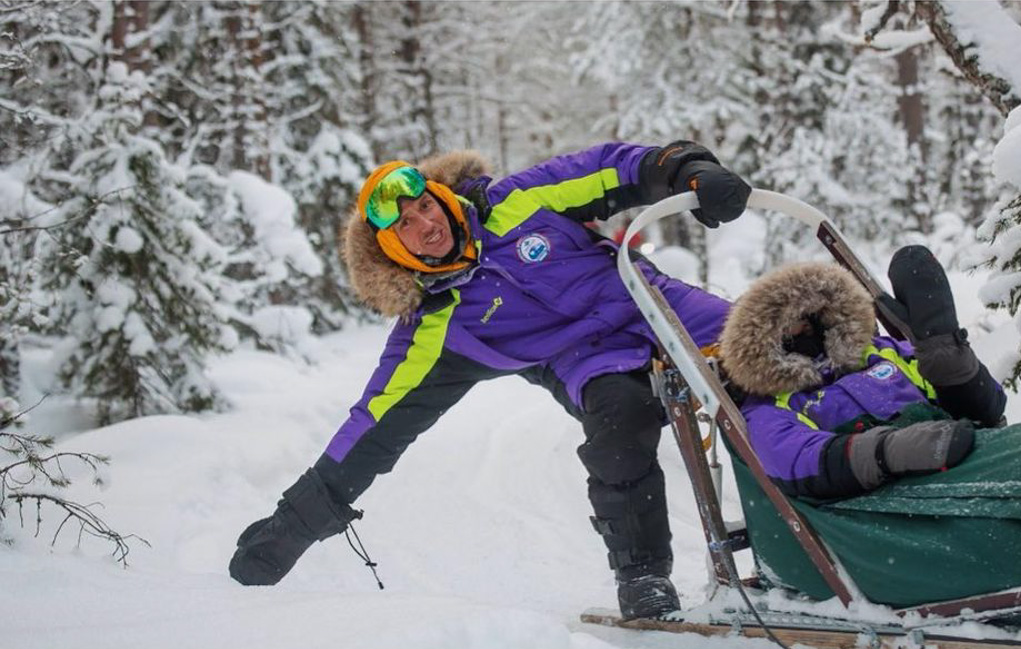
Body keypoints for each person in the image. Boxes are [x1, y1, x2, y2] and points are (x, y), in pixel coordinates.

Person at [228, 141, 752, 620]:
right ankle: (644, 577)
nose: (424, 223)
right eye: (405, 225)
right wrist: (290, 527)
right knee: (620, 426)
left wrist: (689, 169)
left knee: (769, 351)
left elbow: (611, 169)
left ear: (438, 196)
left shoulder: (515, 201)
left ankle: (814, 507)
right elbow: (373, 426)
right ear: (393, 250)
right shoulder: (433, 327)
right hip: (592, 362)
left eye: (424, 206)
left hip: (656, 303)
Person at [718, 246, 1007, 499]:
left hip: (972, 454)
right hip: (894, 496)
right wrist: (888, 453)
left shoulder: (882, 352)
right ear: (762, 341)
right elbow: (793, 458)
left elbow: (989, 411)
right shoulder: (771, 403)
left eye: (806, 319)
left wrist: (951, 363)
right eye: (783, 325)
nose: (800, 330)